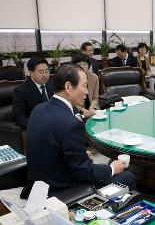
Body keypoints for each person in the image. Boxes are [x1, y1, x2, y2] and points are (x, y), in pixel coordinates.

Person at [25, 64, 135, 196]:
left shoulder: (38, 109)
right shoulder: (71, 123)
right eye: (84, 86)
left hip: (39, 183)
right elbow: (83, 172)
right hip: (60, 188)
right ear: (68, 87)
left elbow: (53, 148)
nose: (87, 92)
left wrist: (80, 156)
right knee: (127, 176)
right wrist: (111, 168)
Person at [13, 57, 54, 130]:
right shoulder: (20, 91)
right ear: (31, 72)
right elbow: (19, 117)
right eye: (41, 72)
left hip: (55, 122)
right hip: (37, 127)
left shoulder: (51, 84)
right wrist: (37, 126)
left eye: (47, 71)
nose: (45, 75)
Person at [71, 53, 99, 118]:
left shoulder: (94, 77)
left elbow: (95, 98)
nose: (82, 66)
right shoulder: (71, 79)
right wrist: (82, 110)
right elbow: (71, 101)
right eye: (79, 64)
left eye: (85, 64)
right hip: (77, 111)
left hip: (92, 109)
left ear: (89, 66)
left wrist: (91, 108)